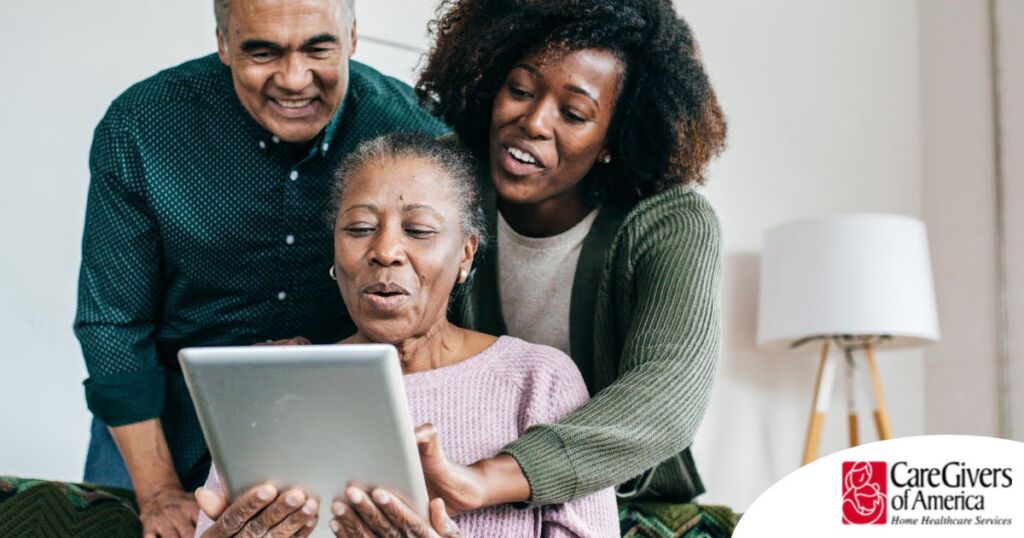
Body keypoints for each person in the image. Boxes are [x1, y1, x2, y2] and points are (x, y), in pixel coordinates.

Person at [345, 0, 728, 528]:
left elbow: (667, 395)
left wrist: (489, 478)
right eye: (520, 90)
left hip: (616, 495)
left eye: (573, 114)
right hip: (455, 486)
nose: (533, 122)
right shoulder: (449, 182)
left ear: (614, 138)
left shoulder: (670, 224)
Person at [73, 0, 446, 535]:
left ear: (353, 37)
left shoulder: (416, 133)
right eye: (262, 51)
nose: (295, 79)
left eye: (318, 48)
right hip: (164, 424)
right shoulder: (141, 125)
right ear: (224, 44)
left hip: (339, 418)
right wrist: (157, 492)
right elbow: (112, 321)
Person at [192, 132, 620, 538]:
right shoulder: (270, 386)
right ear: (335, 253)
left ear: (465, 255)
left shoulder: (538, 382)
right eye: (359, 229)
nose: (386, 251)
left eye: (418, 230)